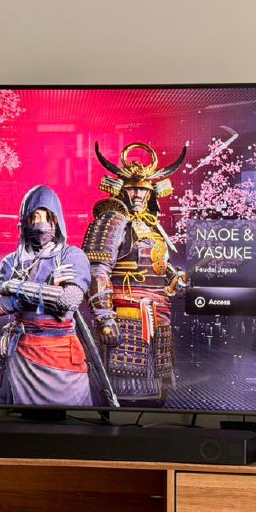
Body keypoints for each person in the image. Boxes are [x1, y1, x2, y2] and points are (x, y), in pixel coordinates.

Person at [82, 142, 188, 403]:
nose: (138, 195)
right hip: (125, 315)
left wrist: (175, 277)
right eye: (132, 189)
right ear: (120, 190)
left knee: (156, 391)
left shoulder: (152, 227)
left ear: (151, 193)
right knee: (122, 389)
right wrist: (105, 318)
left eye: (143, 190)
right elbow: (97, 270)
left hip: (158, 317)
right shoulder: (111, 221)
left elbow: (157, 266)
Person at [0, 185, 93, 406]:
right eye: (35, 217)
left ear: (56, 220)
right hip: (21, 351)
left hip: (60, 353)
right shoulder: (12, 261)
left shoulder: (71, 255)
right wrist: (48, 290)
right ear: (25, 220)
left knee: (73, 417)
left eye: (47, 217)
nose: (41, 223)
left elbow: (68, 301)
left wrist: (14, 287)